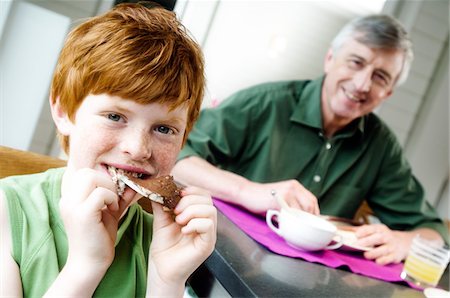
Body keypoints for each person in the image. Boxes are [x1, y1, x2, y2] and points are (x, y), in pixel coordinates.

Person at [172, 14, 448, 265]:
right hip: (218, 260)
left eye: (380, 77)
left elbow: (434, 232)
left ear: (387, 93)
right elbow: (177, 157)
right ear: (330, 59)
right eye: (356, 62)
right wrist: (248, 191)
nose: (362, 84)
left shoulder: (382, 147)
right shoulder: (264, 104)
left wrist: (406, 242)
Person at [0, 3, 216, 297]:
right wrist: (86, 265)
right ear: (64, 111)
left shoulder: (164, 241)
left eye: (164, 129)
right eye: (115, 117)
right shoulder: (7, 212)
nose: (138, 149)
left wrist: (166, 282)